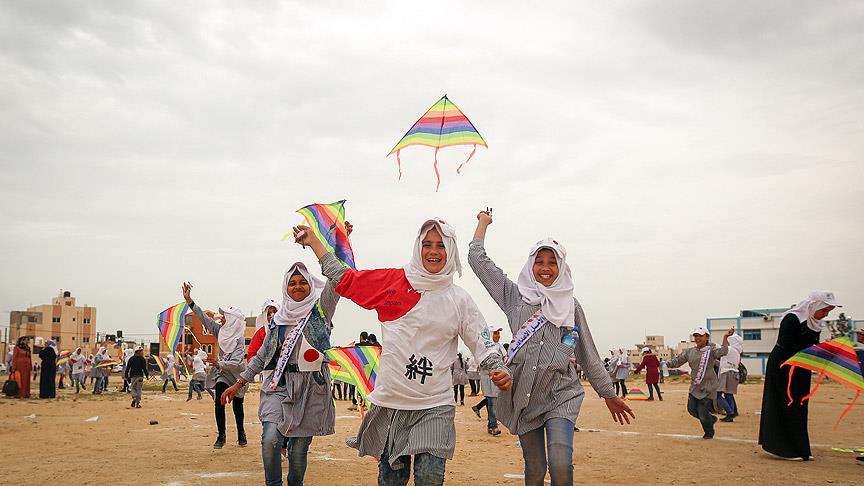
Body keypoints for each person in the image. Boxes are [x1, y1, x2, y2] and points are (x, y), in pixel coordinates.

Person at [327, 217, 510, 486]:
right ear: (418, 247)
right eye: (427, 244)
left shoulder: (459, 299)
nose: (433, 251)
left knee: (429, 478)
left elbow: (482, 341)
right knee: (392, 480)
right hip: (393, 404)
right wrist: (321, 245)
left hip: (435, 404)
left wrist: (498, 366)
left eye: (441, 245)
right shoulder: (392, 281)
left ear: (450, 250)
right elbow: (346, 280)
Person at [468, 208, 633, 486]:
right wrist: (484, 224)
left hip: (560, 394)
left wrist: (608, 394)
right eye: (539, 261)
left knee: (559, 463)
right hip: (525, 397)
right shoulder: (514, 297)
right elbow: (478, 261)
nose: (545, 268)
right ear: (531, 265)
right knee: (534, 470)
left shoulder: (571, 307)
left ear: (562, 267)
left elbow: (588, 355)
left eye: (552, 262)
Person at [221, 229, 347, 486]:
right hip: (278, 386)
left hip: (311, 388)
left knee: (299, 450)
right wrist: (239, 383)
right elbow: (261, 357)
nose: (298, 286)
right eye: (292, 283)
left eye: (302, 282)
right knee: (270, 438)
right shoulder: (278, 321)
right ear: (285, 288)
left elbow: (338, 279)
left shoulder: (321, 312)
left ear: (310, 285)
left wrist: (339, 244)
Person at [759, 291, 841, 460]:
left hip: (801, 368)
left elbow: (813, 346)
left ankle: (801, 448)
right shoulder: (792, 318)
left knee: (800, 405)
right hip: (784, 367)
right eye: (824, 310)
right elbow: (786, 345)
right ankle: (784, 449)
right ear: (814, 306)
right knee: (786, 403)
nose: (825, 315)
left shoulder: (815, 323)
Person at [182, 283, 249, 449]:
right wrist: (190, 301)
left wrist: (220, 363)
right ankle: (221, 436)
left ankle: (241, 432)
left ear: (233, 319)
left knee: (237, 405)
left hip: (238, 376)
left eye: (225, 316)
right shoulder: (219, 331)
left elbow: (236, 363)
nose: (222, 318)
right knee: (219, 400)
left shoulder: (239, 339)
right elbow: (204, 318)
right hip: (222, 374)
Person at [666, 327, 732, 439]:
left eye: (700, 335)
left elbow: (724, 351)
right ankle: (711, 419)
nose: (697, 338)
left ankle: (709, 432)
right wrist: (666, 363)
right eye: (695, 336)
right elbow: (677, 361)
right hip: (695, 386)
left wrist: (725, 337)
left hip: (709, 386)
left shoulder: (711, 351)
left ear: (706, 337)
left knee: (702, 411)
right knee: (691, 410)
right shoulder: (690, 352)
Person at [471, 324, 507, 435]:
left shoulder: (500, 347)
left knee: (493, 402)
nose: (498, 335)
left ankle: (490, 423)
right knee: (492, 402)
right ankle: (493, 426)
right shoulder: (485, 347)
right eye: (495, 333)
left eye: (498, 333)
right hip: (488, 378)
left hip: (497, 378)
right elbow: (481, 363)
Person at [717, 333, 743, 422]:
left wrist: (725, 336)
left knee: (718, 395)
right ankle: (731, 414)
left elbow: (723, 348)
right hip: (735, 373)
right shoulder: (737, 352)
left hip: (726, 373)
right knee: (729, 394)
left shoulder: (729, 350)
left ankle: (730, 412)